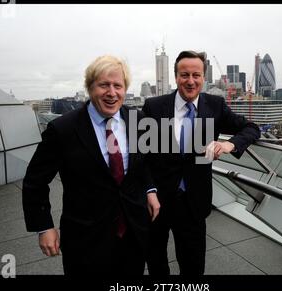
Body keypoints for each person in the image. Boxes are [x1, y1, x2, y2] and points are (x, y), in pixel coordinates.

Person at [22, 55, 160, 276]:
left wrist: (150, 190)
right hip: (85, 238)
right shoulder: (63, 129)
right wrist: (44, 226)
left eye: (118, 85)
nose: (112, 93)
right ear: (89, 87)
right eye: (104, 85)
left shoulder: (138, 120)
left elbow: (143, 164)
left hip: (133, 231)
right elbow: (35, 182)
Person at [142, 50, 260, 275]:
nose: (190, 81)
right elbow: (143, 156)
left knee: (193, 267)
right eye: (184, 75)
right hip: (157, 200)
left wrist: (229, 145)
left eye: (196, 75)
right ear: (175, 77)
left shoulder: (214, 105)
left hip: (193, 202)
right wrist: (149, 190)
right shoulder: (154, 107)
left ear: (203, 77)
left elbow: (252, 128)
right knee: (156, 261)